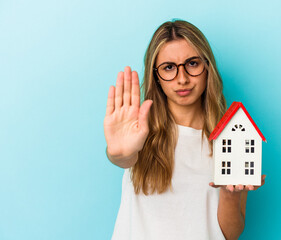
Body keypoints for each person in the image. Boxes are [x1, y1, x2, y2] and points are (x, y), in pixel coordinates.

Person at [104, 19, 266, 240]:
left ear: (207, 67)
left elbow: (230, 234)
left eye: (192, 63)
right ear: (156, 77)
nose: (182, 79)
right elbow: (124, 157)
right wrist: (118, 154)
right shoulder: (140, 132)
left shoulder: (232, 138)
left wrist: (230, 194)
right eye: (168, 67)